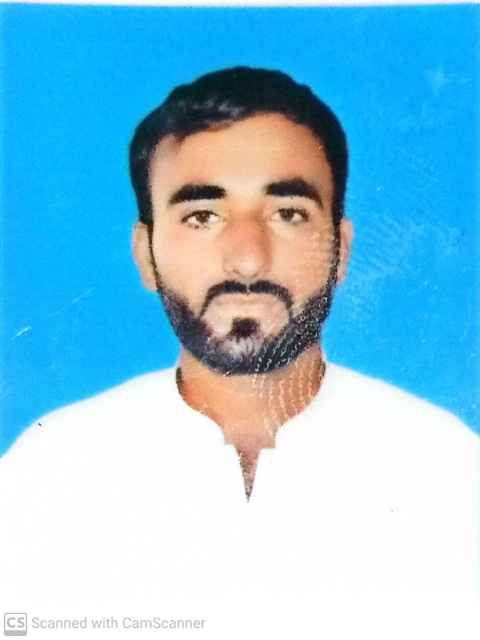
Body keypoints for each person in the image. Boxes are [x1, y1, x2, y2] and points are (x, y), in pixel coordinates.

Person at [1, 67, 478, 639]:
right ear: (146, 256)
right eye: (202, 216)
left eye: (288, 213)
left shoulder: (446, 470)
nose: (248, 260)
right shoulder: (49, 474)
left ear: (341, 252)